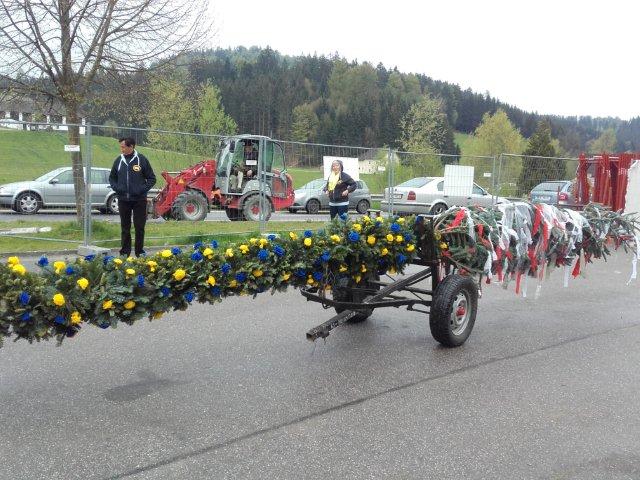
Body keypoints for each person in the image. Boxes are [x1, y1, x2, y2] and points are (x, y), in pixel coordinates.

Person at [109, 137, 156, 257]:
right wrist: (118, 188)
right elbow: (112, 178)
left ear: (131, 147)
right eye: (121, 147)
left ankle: (139, 252)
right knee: (125, 227)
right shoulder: (119, 160)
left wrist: (141, 190)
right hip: (123, 200)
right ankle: (125, 252)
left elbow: (152, 179)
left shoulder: (141, 160)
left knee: (139, 227)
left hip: (139, 200)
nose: (121, 149)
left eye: (123, 147)